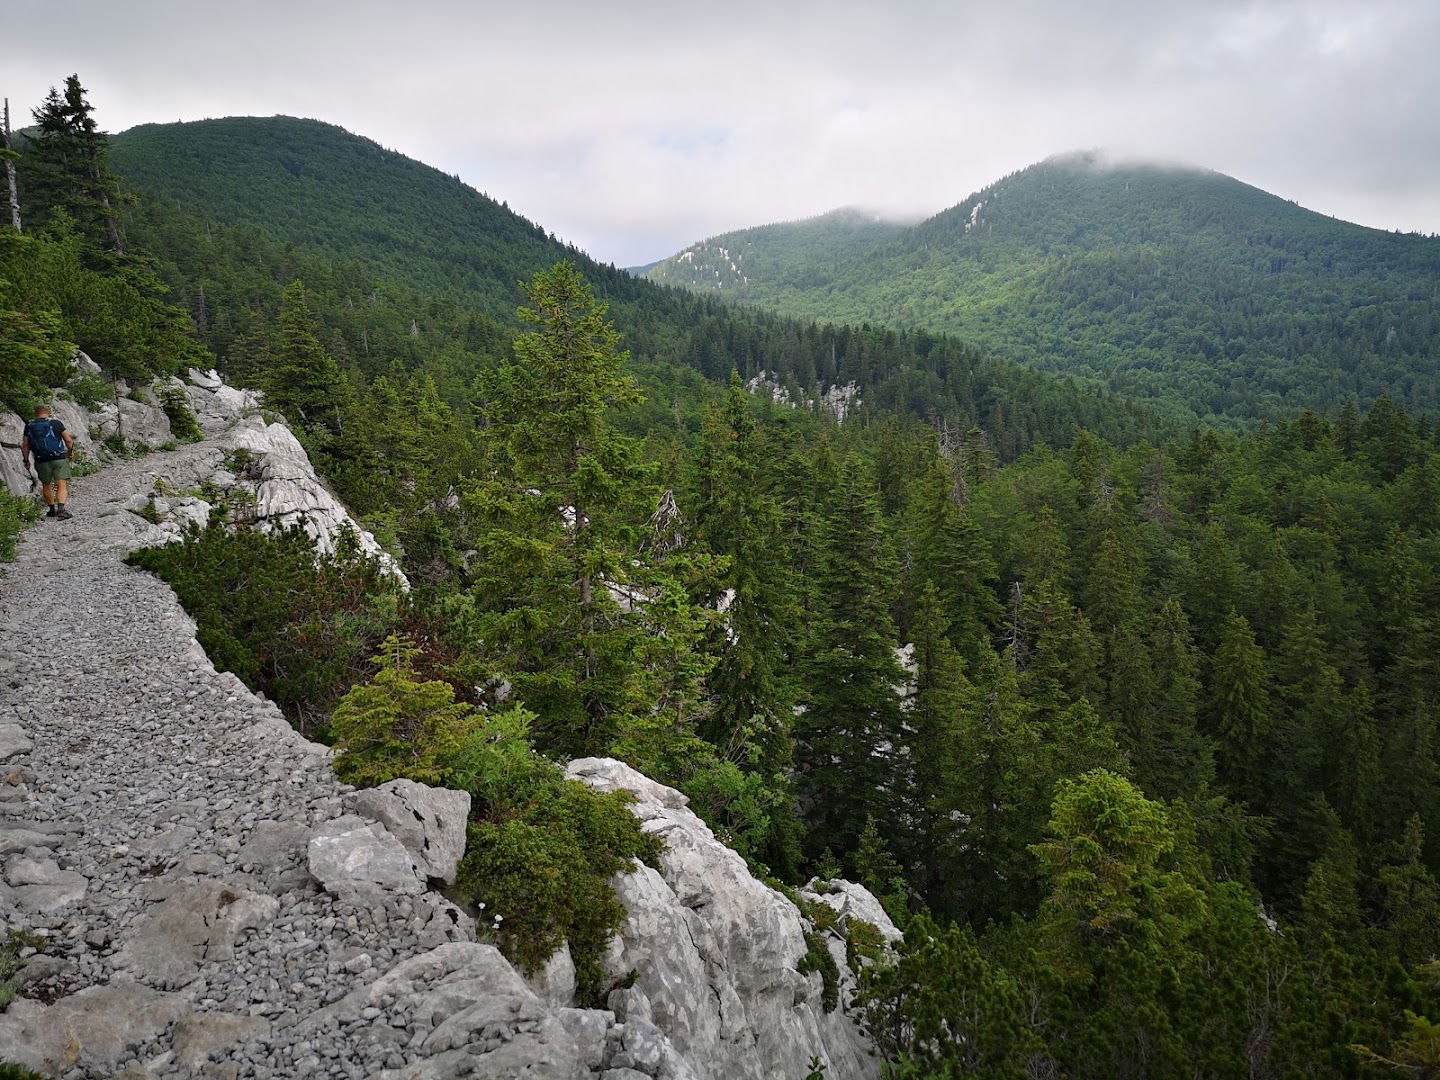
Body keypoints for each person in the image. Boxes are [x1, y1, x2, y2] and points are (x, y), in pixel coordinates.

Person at [20, 404, 76, 520]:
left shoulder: (29, 426)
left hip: (41, 460)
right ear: (48, 412)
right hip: (58, 458)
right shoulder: (56, 423)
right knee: (61, 484)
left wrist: (26, 460)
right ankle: (61, 510)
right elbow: (68, 440)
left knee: (46, 485)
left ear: (36, 414)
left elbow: (25, 445)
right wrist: (70, 451)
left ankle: (51, 510)